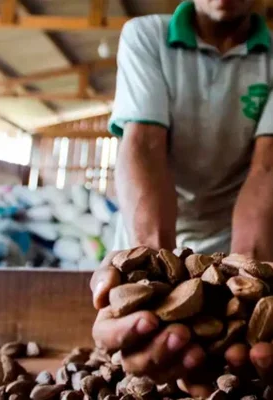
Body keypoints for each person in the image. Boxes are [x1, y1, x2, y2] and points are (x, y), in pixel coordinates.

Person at [91, 0, 273, 396]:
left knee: (239, 366)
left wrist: (247, 294)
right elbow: (144, 147)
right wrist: (156, 279)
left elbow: (266, 170)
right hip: (152, 235)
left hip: (237, 240)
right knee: (144, 354)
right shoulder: (147, 36)